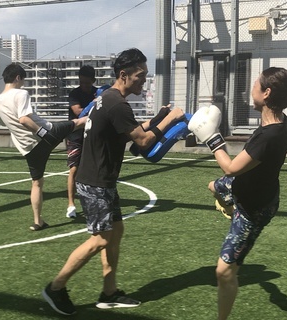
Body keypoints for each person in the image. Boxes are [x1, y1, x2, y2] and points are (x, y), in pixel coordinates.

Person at [42, 48, 185, 316]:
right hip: (96, 182)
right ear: (124, 75)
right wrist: (171, 120)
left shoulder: (107, 98)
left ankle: (109, 293)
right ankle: (56, 287)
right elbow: (142, 141)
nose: (144, 80)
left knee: (114, 233)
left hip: (101, 179)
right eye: (140, 76)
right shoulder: (117, 103)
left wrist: (157, 118)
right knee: (100, 240)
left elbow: (129, 131)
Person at [188, 67, 287, 320]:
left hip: (253, 209)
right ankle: (226, 201)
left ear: (266, 93)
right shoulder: (281, 124)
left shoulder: (271, 134)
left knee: (224, 272)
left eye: (256, 83)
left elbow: (231, 168)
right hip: (246, 186)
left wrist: (213, 138)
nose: (251, 87)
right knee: (214, 185)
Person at [0, 63, 87, 231]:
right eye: (23, 80)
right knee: (78, 122)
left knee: (37, 183)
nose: (23, 84)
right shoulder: (20, 93)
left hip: (27, 148)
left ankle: (38, 221)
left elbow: (4, 123)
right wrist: (43, 133)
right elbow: (23, 119)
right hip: (46, 134)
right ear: (17, 77)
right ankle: (103, 112)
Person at [66, 65, 97, 219]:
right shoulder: (75, 94)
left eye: (87, 83)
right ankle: (71, 204)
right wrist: (96, 104)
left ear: (93, 81)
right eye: (82, 82)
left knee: (91, 170)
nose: (84, 85)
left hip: (92, 135)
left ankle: (90, 202)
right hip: (75, 136)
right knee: (74, 169)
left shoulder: (98, 93)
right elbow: (79, 112)